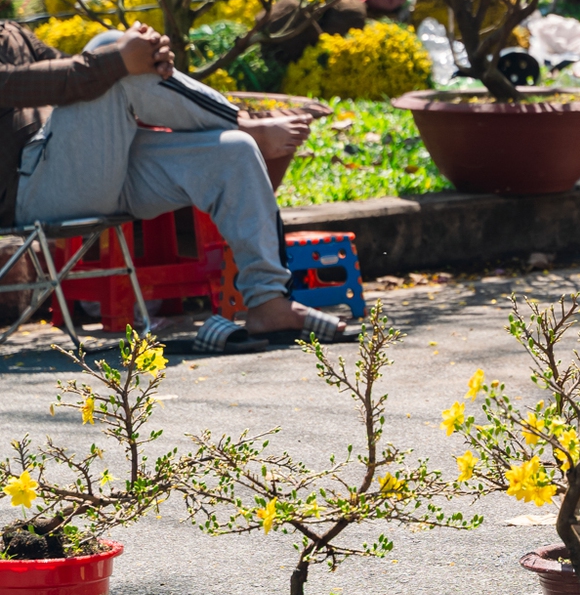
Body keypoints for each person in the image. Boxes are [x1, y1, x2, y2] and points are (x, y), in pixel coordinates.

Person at [1, 19, 357, 351]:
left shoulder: (10, 32)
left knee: (233, 151)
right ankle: (242, 120)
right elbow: (27, 83)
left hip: (85, 166)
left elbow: (73, 72)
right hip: (32, 191)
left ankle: (269, 303)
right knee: (113, 53)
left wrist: (146, 58)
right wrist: (122, 57)